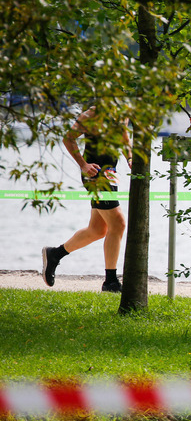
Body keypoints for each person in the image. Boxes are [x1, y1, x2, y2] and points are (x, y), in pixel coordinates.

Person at [42, 104, 132, 293]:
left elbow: (124, 136)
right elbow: (68, 138)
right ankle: (110, 282)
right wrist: (83, 165)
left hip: (111, 173)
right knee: (118, 224)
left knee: (98, 230)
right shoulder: (92, 113)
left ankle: (55, 254)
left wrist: (130, 157)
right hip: (95, 174)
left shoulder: (123, 110)